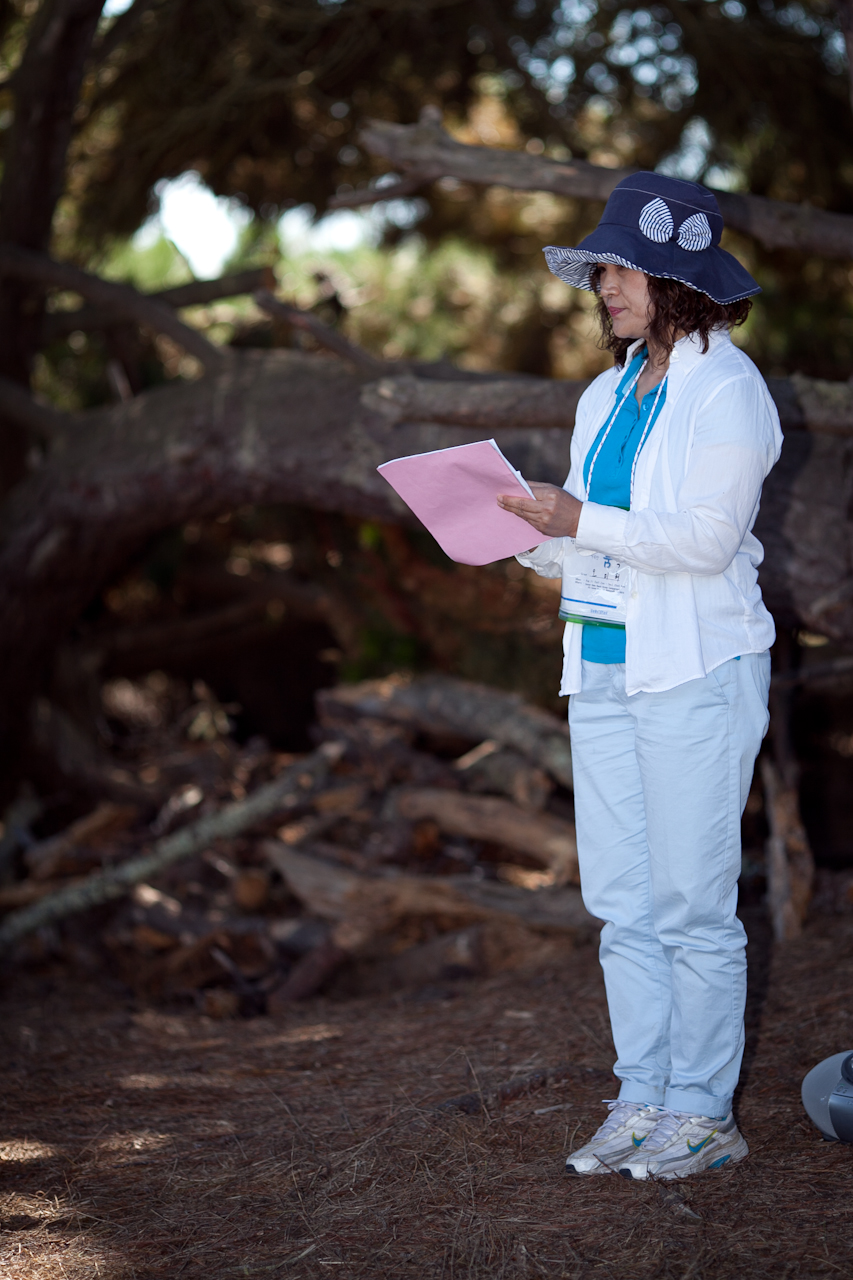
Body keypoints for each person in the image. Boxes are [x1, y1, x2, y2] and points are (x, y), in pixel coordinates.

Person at [497, 172, 782, 1181]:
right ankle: (643, 1096)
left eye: (620, 269)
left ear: (678, 280)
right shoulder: (605, 392)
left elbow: (703, 540)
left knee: (691, 906)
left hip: (696, 668)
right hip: (602, 667)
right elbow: (587, 537)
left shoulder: (728, 389)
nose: (602, 286)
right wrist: (514, 528)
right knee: (621, 901)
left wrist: (576, 518)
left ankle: (703, 1112)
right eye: (600, 272)